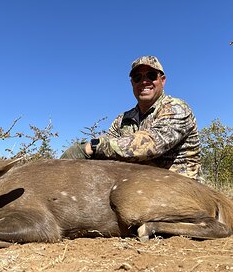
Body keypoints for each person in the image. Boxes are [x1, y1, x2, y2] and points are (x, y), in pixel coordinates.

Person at [60, 55, 202, 181]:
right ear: (132, 83)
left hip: (182, 188)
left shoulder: (176, 108)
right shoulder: (123, 119)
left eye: (151, 75)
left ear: (162, 80)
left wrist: (92, 147)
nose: (144, 81)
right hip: (140, 185)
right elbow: (109, 147)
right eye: (137, 77)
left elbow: (150, 145)